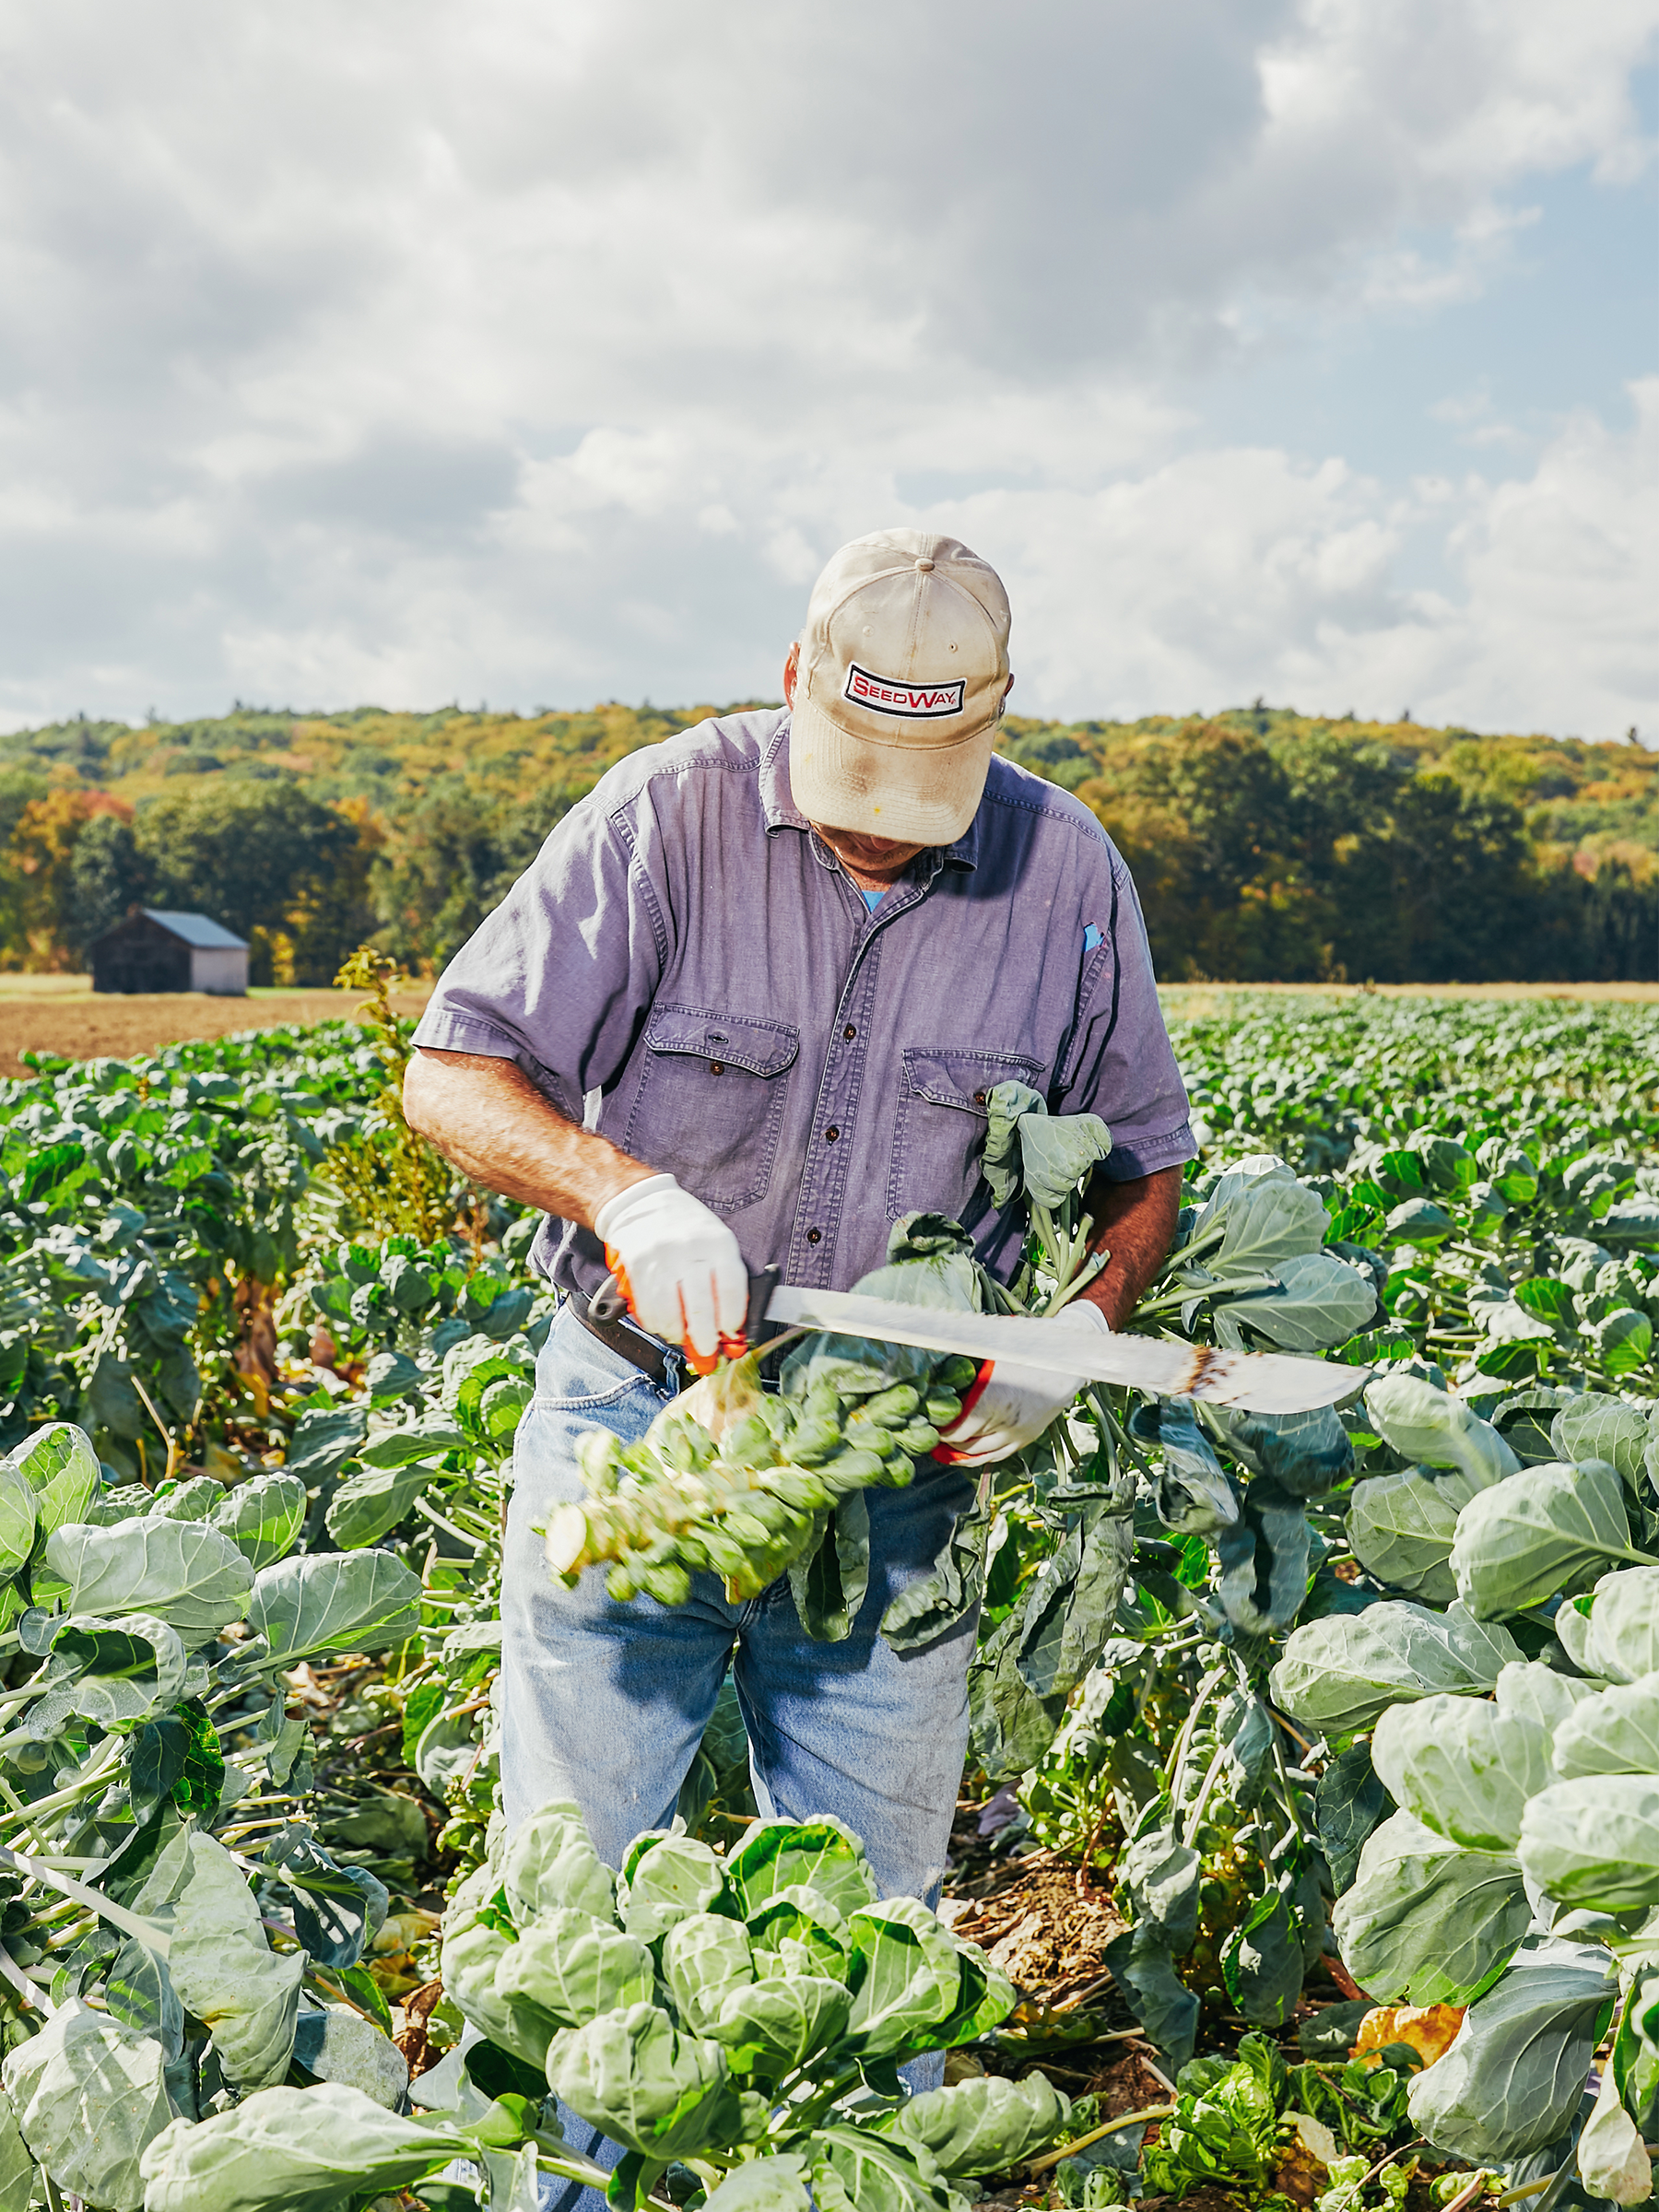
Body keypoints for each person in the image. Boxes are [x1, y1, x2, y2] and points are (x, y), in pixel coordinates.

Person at [404, 528, 1195, 2206]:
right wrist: (622, 1193)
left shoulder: (1066, 873)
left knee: (876, 1931)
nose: (879, 821)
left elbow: (1144, 1158)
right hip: (637, 1422)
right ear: (794, 681)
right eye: (852, 774)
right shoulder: (664, 815)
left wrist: (1076, 1329)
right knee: (575, 1915)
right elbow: (455, 1071)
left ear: (992, 725)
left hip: (890, 1469)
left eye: (926, 786)